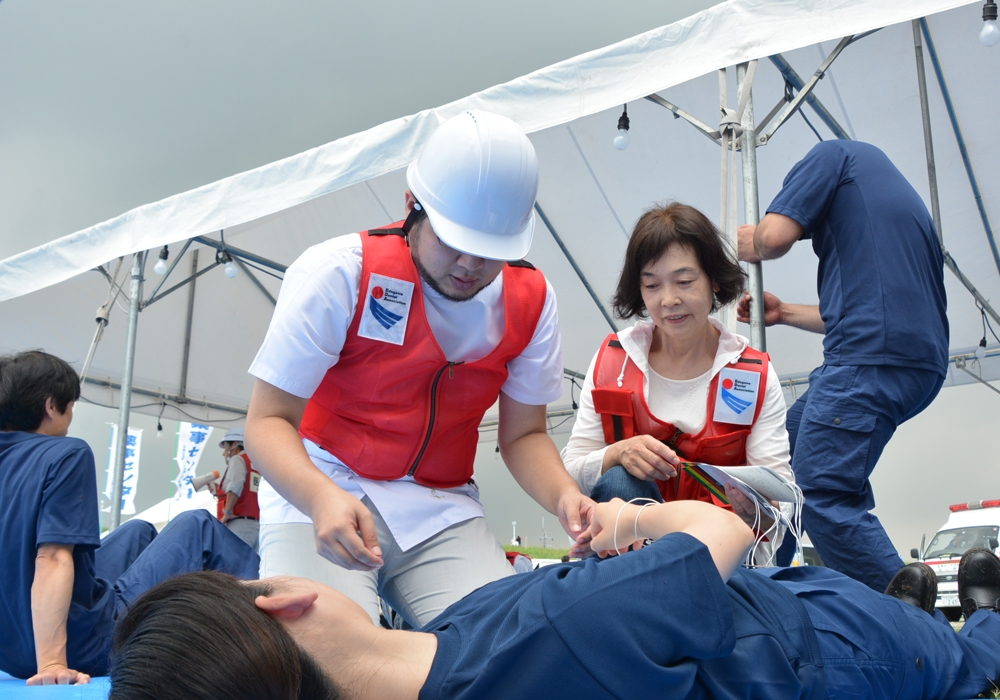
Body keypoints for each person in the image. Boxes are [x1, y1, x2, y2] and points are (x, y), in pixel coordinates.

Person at [244, 110, 594, 627]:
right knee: (330, 655)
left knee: (504, 648)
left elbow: (524, 435)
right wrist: (319, 497)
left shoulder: (534, 301)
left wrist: (566, 496)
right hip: (319, 483)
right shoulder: (340, 272)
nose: (470, 266)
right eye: (454, 242)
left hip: (440, 502)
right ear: (412, 207)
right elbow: (267, 422)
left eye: (490, 252)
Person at [107, 500, 1000, 700]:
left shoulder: (448, 648)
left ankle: (917, 604)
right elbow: (724, 528)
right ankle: (969, 614)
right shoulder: (558, 625)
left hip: (779, 630)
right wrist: (624, 520)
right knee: (970, 657)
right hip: (825, 645)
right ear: (284, 605)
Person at [737, 140, 949, 591]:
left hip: (868, 359)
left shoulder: (829, 157)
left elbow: (773, 238)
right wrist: (782, 312)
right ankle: (764, 592)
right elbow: (862, 313)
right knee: (781, 469)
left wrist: (752, 240)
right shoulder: (881, 195)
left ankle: (913, 626)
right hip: (910, 361)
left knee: (819, 489)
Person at [0, 350, 260, 685]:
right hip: (80, 646)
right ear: (51, 406)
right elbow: (51, 557)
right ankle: (288, 607)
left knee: (138, 530)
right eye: (70, 405)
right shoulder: (64, 453)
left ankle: (173, 612)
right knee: (198, 526)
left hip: (10, 653)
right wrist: (51, 664)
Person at [562, 202, 793, 553]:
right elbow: (570, 474)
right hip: (631, 553)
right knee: (619, 481)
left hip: (719, 553)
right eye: (652, 285)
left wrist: (759, 510)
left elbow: (782, 497)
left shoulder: (753, 374)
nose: (669, 300)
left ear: (715, 280)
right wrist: (618, 453)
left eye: (684, 281)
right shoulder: (614, 362)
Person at [214, 429, 260, 552]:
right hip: (256, 526)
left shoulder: (238, 460)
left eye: (225, 447)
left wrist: (227, 512)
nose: (224, 453)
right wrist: (217, 492)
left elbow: (235, 486)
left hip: (238, 523)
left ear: (234, 444)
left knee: (231, 567)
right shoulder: (257, 463)